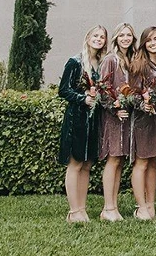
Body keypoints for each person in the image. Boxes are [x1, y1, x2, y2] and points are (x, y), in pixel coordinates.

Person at [58, 25, 107, 223]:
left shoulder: (101, 63)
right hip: (77, 118)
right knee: (75, 163)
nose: (98, 39)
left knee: (87, 164)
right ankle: (73, 211)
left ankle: (82, 208)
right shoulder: (75, 62)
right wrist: (82, 98)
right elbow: (63, 90)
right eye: (95, 36)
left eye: (102, 37)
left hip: (94, 119)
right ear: (87, 37)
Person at [98, 22, 135, 221]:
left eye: (128, 35)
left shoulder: (130, 60)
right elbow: (103, 89)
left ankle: (113, 207)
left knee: (120, 160)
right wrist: (115, 108)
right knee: (113, 159)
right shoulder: (110, 60)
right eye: (122, 35)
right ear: (116, 38)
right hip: (114, 118)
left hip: (128, 117)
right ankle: (108, 207)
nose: (125, 39)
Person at [129, 26, 156, 220]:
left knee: (153, 162)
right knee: (142, 162)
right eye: (149, 40)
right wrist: (144, 104)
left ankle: (151, 205)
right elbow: (132, 95)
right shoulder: (139, 64)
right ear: (144, 43)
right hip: (143, 119)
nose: (153, 43)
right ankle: (141, 206)